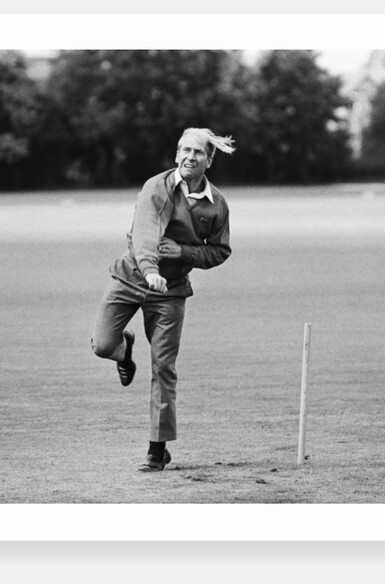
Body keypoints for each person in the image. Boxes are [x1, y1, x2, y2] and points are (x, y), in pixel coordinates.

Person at [90, 127, 235, 472]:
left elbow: (220, 250)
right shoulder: (156, 187)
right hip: (131, 276)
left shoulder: (217, 206)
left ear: (209, 160)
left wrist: (184, 252)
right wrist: (150, 268)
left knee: (163, 367)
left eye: (197, 152)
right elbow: (144, 233)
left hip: (171, 291)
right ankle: (123, 350)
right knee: (102, 345)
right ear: (176, 155)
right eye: (184, 150)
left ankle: (157, 449)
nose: (190, 157)